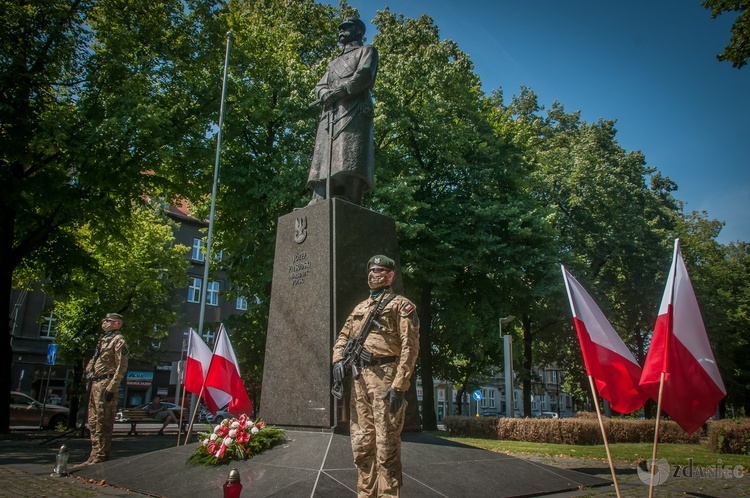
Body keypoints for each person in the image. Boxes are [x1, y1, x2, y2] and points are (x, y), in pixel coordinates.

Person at [332, 255, 420, 497]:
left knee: (386, 445)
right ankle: (365, 494)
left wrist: (400, 385)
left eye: (380, 270)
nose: (374, 274)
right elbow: (342, 337)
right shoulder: (359, 308)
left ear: (390, 275)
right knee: (361, 444)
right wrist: (338, 361)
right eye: (371, 269)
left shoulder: (402, 306)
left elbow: (410, 347)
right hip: (359, 380)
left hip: (386, 379)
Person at [307, 17, 378, 206]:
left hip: (353, 106)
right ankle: (319, 196)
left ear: (358, 32)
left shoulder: (367, 51)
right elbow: (320, 85)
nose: (341, 31)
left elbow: (365, 73)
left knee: (351, 152)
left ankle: (351, 196)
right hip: (331, 110)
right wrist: (323, 94)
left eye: (346, 28)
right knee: (323, 152)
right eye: (340, 28)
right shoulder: (333, 64)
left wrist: (345, 88)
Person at [79, 313, 129, 466]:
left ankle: (101, 455)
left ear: (117, 324)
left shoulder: (119, 341)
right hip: (96, 382)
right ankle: (94, 455)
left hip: (106, 383)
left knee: (103, 421)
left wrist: (112, 387)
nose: (104, 323)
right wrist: (89, 372)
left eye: (107, 321)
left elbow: (122, 366)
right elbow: (96, 360)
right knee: (93, 420)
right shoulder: (103, 340)